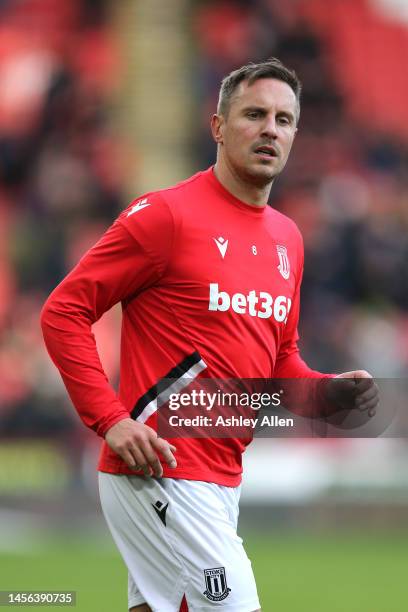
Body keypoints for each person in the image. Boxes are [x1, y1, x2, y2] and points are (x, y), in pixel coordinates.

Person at [41, 58, 379, 612]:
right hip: (162, 471)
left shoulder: (287, 239)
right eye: (254, 114)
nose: (271, 128)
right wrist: (111, 420)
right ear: (218, 127)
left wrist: (325, 393)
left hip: (222, 480)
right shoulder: (165, 216)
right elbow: (63, 312)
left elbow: (279, 360)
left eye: (284, 119)